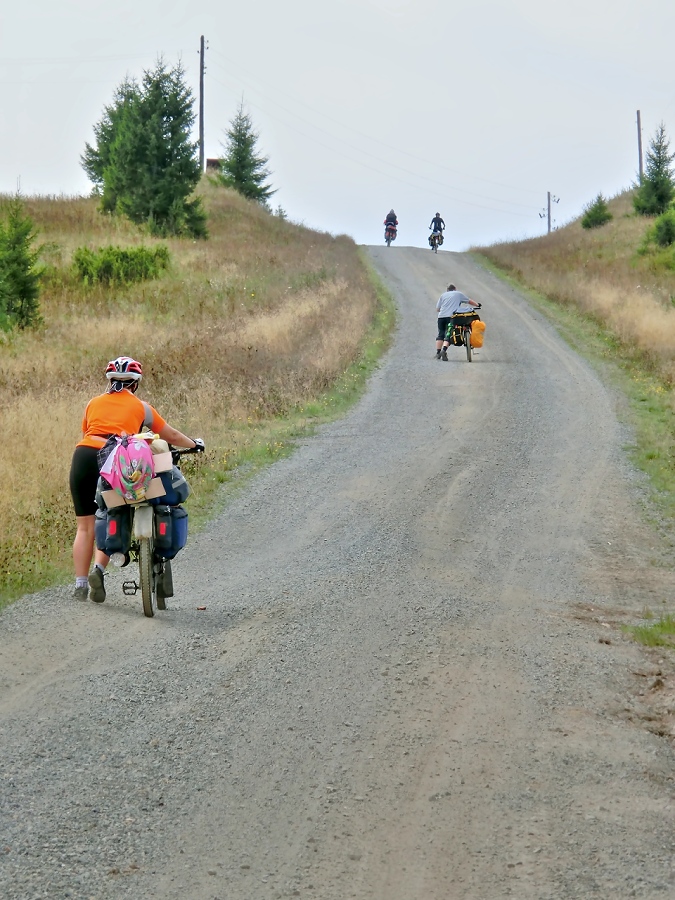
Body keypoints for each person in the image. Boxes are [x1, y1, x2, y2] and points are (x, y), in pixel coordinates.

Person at [69, 356, 203, 603]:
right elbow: (170, 435)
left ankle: (80, 585)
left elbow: (86, 432)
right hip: (112, 458)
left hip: (82, 455)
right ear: (135, 383)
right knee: (113, 512)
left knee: (85, 525)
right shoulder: (142, 407)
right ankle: (99, 568)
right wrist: (194, 444)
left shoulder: (92, 404)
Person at [435, 284, 480, 360]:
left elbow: (437, 309)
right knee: (449, 334)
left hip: (441, 317)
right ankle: (444, 350)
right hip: (451, 317)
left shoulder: (443, 295)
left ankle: (438, 353)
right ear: (455, 289)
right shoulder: (458, 294)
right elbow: (469, 301)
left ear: (447, 290)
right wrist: (477, 304)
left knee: (441, 334)